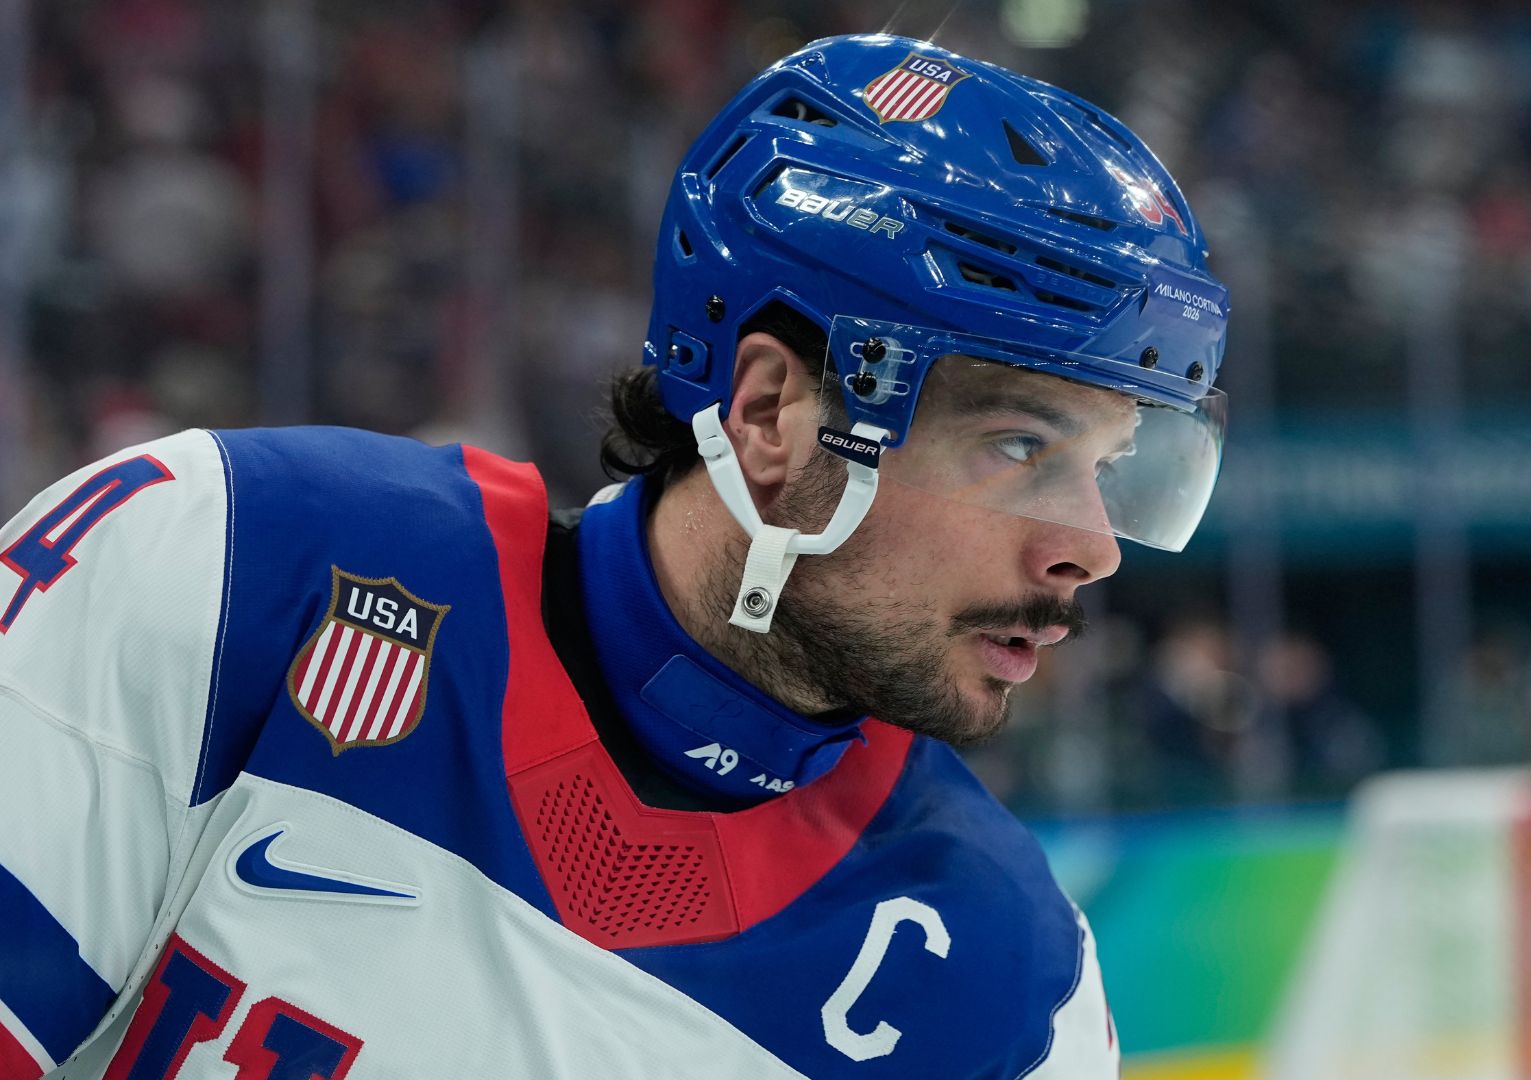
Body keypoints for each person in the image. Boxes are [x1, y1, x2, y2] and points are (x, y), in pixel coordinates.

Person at [0, 34, 1227, 1078]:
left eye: (1111, 466)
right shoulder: (232, 561)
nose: (1090, 548)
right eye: (1019, 443)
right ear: (770, 414)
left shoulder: (1009, 985)